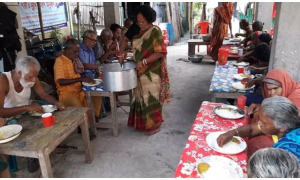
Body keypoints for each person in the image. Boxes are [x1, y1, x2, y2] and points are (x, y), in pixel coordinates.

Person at [0, 56, 66, 173]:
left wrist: (56, 103)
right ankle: (4, 170)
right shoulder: (3, 80)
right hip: (7, 118)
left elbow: (44, 96)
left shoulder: (32, 77)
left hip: (26, 112)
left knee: (50, 121)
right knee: (12, 132)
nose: (34, 80)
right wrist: (25, 107)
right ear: (19, 72)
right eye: (30, 77)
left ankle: (39, 155)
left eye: (36, 76)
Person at [119, 5, 170, 136]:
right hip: (140, 69)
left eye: (143, 22)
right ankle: (142, 123)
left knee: (151, 98)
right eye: (138, 21)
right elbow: (125, 39)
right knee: (140, 97)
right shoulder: (137, 29)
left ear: (149, 20)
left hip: (152, 71)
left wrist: (144, 61)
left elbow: (160, 52)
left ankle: (155, 125)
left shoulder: (155, 32)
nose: (140, 24)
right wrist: (121, 53)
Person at [217, 96, 300, 159]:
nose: (259, 123)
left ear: (282, 127)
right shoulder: (288, 125)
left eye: (263, 122)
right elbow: (252, 129)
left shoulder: (285, 151)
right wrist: (232, 133)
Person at [54, 39, 98, 140]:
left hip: (78, 90)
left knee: (93, 99)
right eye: (74, 51)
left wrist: (85, 79)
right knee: (81, 110)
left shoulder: (74, 60)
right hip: (66, 94)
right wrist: (80, 79)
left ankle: (90, 121)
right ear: (66, 49)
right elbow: (60, 81)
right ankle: (85, 129)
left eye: (78, 51)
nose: (76, 54)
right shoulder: (59, 61)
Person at [79, 30, 103, 123]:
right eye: (92, 40)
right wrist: (99, 66)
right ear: (85, 38)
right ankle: (91, 119)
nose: (94, 43)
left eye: (95, 40)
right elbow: (83, 65)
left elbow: (92, 64)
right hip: (83, 78)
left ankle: (95, 116)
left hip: (92, 77)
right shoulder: (80, 49)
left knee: (100, 93)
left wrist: (98, 69)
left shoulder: (91, 49)